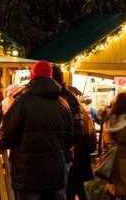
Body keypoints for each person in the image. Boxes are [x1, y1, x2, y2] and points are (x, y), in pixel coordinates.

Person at [0, 60, 74, 200]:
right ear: (50, 76)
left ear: (32, 77)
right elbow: (69, 139)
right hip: (55, 175)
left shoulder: (22, 102)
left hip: (28, 175)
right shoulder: (63, 104)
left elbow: (7, 133)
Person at [50, 66, 83, 197]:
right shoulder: (51, 96)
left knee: (59, 193)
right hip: (54, 156)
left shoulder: (69, 98)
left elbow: (77, 131)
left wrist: (59, 144)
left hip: (63, 156)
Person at [65, 87, 94, 200]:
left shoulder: (68, 111)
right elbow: (91, 139)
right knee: (78, 189)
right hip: (81, 159)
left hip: (73, 159)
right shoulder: (84, 112)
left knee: (73, 191)